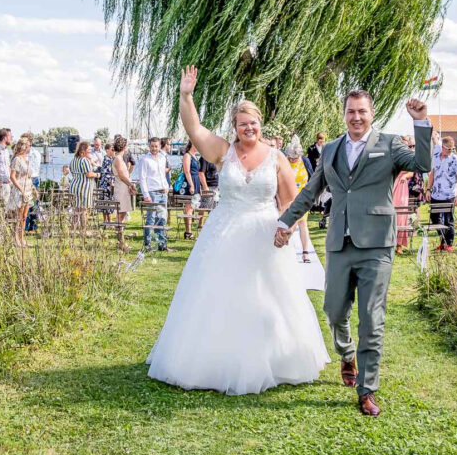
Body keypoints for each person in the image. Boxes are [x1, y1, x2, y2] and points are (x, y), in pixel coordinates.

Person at [147, 66, 330, 396]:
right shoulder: (222, 151)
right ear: (235, 126)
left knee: (267, 298)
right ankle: (214, 359)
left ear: (261, 125)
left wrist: (284, 231)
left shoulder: (276, 158)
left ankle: (275, 358)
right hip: (225, 233)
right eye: (243, 123)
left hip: (264, 235)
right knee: (219, 295)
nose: (249, 128)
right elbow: (194, 128)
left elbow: (290, 203)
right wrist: (186, 95)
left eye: (254, 123)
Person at [278, 84, 432, 417]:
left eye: (362, 111)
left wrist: (420, 123)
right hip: (339, 243)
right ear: (344, 114)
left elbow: (422, 164)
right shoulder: (331, 149)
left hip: (377, 244)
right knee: (333, 310)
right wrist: (285, 221)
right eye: (351, 112)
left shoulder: (389, 144)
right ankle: (347, 355)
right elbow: (310, 191)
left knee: (372, 319)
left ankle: (367, 390)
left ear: (371, 113)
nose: (356, 117)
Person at [284, 138, 320, 266]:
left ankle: (305, 252)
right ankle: (284, 251)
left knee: (302, 224)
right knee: (288, 225)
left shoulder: (305, 161)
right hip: (287, 197)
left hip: (302, 197)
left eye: (295, 158)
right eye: (290, 158)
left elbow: (313, 177)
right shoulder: (284, 161)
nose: (292, 160)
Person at [133, 137, 171, 252]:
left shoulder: (162, 158)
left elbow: (162, 175)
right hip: (152, 192)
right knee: (151, 219)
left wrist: (166, 187)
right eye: (152, 146)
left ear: (160, 146)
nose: (154, 148)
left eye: (156, 146)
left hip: (162, 192)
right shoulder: (145, 160)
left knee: (162, 218)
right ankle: (148, 245)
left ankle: (162, 244)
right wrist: (146, 195)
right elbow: (142, 178)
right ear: (149, 146)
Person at [427, 136, 457, 251]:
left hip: (449, 194)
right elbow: (432, 174)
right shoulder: (435, 158)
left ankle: (449, 244)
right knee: (434, 218)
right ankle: (443, 240)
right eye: (448, 149)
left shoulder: (455, 159)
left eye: (452, 149)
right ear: (443, 147)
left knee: (448, 220)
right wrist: (428, 189)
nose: (450, 151)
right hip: (436, 194)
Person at [6, 138, 35, 248]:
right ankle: (16, 238)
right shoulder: (17, 159)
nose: (30, 148)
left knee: (24, 216)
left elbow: (29, 175)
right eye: (29, 146)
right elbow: (12, 176)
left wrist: (33, 188)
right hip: (20, 189)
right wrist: (20, 189)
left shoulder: (26, 159)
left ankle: (22, 238)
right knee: (18, 216)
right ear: (25, 147)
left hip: (28, 187)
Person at [67, 140, 98, 230]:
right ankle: (84, 229)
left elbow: (72, 172)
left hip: (74, 185)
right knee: (84, 209)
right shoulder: (84, 160)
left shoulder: (73, 160)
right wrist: (97, 174)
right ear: (83, 150)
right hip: (83, 187)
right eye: (89, 149)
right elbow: (88, 174)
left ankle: (73, 228)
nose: (90, 150)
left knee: (76, 209)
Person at [393, 136, 414, 253]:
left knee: (401, 215)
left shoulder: (409, 157)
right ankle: (389, 243)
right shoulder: (392, 156)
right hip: (391, 185)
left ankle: (399, 245)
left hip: (401, 187)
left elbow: (411, 172)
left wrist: (404, 176)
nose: (406, 147)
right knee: (390, 213)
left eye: (408, 145)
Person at [111, 136, 134, 224]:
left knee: (123, 212)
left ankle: (120, 231)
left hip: (123, 187)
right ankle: (119, 232)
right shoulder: (118, 159)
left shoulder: (120, 158)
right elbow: (121, 175)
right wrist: (130, 184)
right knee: (121, 213)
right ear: (124, 147)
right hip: (121, 188)